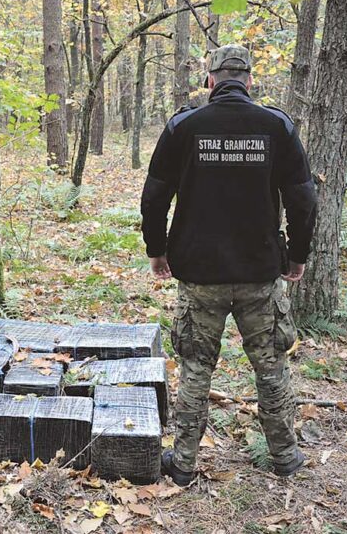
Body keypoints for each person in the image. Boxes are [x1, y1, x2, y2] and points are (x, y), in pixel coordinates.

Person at [140, 44, 317, 486]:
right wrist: (298, 255)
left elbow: (154, 197)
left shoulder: (183, 126)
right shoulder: (276, 126)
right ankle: (286, 457)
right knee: (272, 367)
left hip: (200, 274)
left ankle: (183, 463)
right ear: (250, 80)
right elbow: (303, 200)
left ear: (210, 80)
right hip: (260, 272)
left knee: (196, 368)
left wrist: (156, 250)